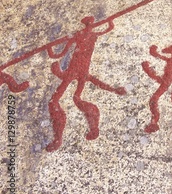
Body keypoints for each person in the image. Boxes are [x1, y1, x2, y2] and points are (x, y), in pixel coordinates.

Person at [46, 17, 126, 151]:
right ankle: (59, 138)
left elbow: (57, 54)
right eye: (89, 24)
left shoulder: (86, 36)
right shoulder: (81, 36)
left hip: (77, 71)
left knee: (65, 99)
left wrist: (50, 51)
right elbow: (58, 54)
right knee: (60, 100)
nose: (90, 26)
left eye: (90, 24)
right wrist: (50, 51)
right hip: (75, 71)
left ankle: (86, 130)